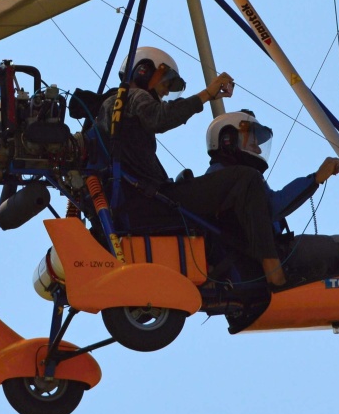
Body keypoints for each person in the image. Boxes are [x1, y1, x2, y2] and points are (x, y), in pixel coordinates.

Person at [96, 47, 287, 286]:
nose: (166, 91)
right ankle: (273, 270)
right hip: (152, 201)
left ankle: (220, 271)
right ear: (143, 71)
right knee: (246, 179)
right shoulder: (130, 96)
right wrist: (206, 94)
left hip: (141, 200)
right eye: (166, 81)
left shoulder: (110, 111)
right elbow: (160, 118)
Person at [205, 110, 339, 283]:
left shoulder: (220, 178)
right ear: (228, 140)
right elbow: (272, 207)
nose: (258, 149)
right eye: (252, 142)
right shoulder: (231, 177)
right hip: (272, 258)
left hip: (252, 259)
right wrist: (315, 179)